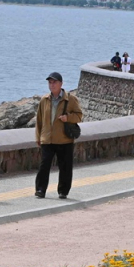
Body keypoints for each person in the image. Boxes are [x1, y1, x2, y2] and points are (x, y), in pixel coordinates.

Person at [34, 71, 83, 200]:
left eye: (54, 82)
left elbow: (79, 115)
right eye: (50, 82)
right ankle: (40, 190)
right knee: (44, 166)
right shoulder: (44, 100)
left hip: (64, 139)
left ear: (61, 83)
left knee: (65, 167)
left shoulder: (70, 99)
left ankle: (63, 191)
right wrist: (38, 137)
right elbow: (39, 120)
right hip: (47, 139)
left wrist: (68, 118)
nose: (52, 85)